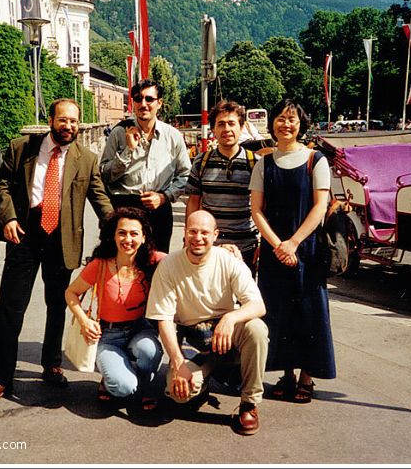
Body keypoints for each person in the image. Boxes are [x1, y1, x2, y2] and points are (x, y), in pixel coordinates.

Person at [0, 98, 113, 407]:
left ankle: (51, 365)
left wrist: (121, 229)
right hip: (24, 234)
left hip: (61, 239)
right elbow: (2, 185)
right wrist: (8, 217)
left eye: (74, 121)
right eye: (63, 120)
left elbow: (100, 200)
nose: (69, 126)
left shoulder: (86, 159)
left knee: (57, 305)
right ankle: (1, 378)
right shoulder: (22, 148)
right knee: (11, 307)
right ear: (50, 119)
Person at [146, 210, 269, 436]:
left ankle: (249, 404)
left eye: (204, 232)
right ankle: (200, 384)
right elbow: (163, 319)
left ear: (215, 235)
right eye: (192, 231)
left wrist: (230, 317)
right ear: (185, 233)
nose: (198, 237)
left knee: (257, 329)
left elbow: (258, 305)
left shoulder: (228, 261)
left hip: (226, 335)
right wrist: (178, 362)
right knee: (179, 394)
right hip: (193, 336)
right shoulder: (169, 266)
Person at [249, 98, 336, 405]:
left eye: (292, 119)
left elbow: (320, 206)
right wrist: (278, 245)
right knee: (278, 312)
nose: (286, 124)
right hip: (275, 251)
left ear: (302, 124)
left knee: (310, 313)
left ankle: (307, 378)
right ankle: (286, 375)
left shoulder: (316, 160)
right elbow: (256, 210)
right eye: (281, 119)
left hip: (307, 249)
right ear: (272, 123)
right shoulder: (264, 162)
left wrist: (294, 242)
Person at [65, 207, 165, 411]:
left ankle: (146, 386)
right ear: (113, 235)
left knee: (150, 351)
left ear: (144, 237)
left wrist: (225, 249)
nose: (128, 239)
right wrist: (85, 321)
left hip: (140, 328)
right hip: (107, 334)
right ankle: (115, 379)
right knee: (123, 387)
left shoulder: (153, 260)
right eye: (122, 232)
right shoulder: (99, 265)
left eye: (134, 233)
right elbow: (71, 293)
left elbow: (186, 257)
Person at [100, 79, 191, 252]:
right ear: (133, 102)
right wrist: (128, 150)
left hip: (158, 209)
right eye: (138, 99)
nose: (143, 104)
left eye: (149, 99)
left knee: (157, 266)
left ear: (159, 103)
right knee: (123, 268)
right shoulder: (119, 133)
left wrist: (165, 197)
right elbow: (104, 175)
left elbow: (186, 176)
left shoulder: (173, 136)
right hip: (125, 207)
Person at [185, 100, 259, 273]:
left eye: (232, 123)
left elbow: (264, 207)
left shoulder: (255, 163)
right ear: (213, 130)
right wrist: (187, 238)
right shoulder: (201, 162)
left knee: (244, 298)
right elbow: (194, 202)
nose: (226, 129)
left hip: (246, 246)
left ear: (241, 128)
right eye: (221, 124)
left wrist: (262, 243)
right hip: (210, 246)